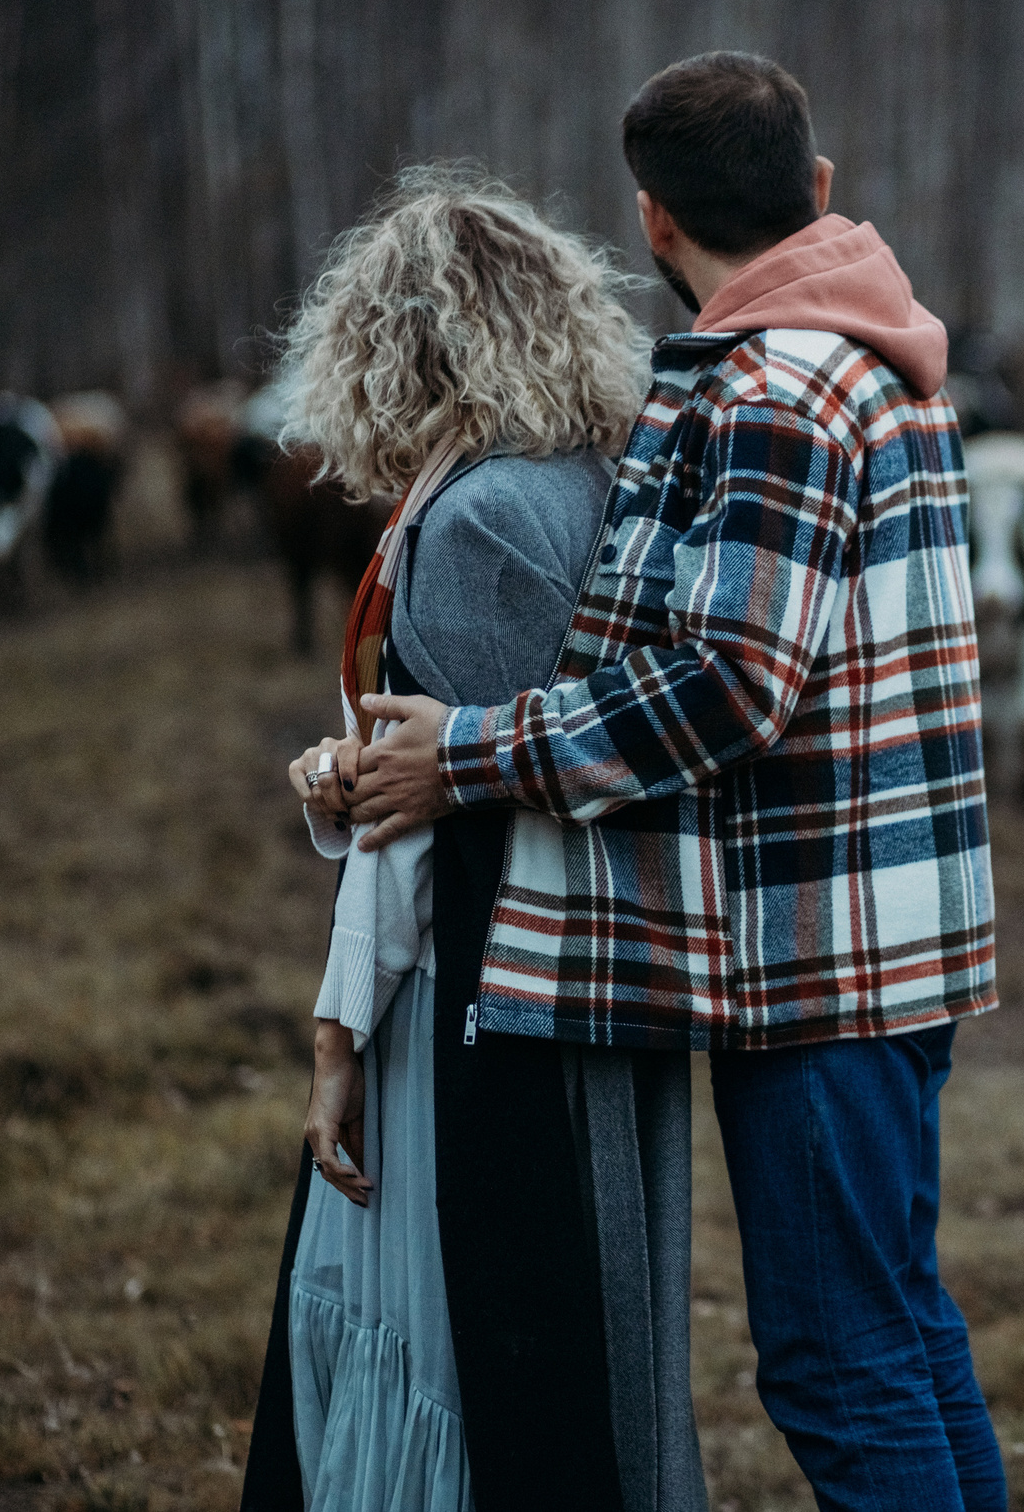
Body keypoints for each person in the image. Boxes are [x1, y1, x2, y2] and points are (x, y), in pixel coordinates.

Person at [344, 53, 1007, 1512]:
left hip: (821, 962)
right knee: (900, 1333)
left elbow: (730, 687)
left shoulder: (775, 388)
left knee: (840, 1368)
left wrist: (465, 751)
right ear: (816, 188)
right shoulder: (872, 359)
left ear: (652, 222)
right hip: (888, 938)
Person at [240, 167, 707, 1512]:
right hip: (585, 980)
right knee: (587, 1359)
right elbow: (475, 765)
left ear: (390, 345)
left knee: (473, 1374)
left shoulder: (484, 518)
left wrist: (336, 1041)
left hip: (485, 1010)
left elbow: (435, 831)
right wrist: (364, 773)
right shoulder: (585, 479)